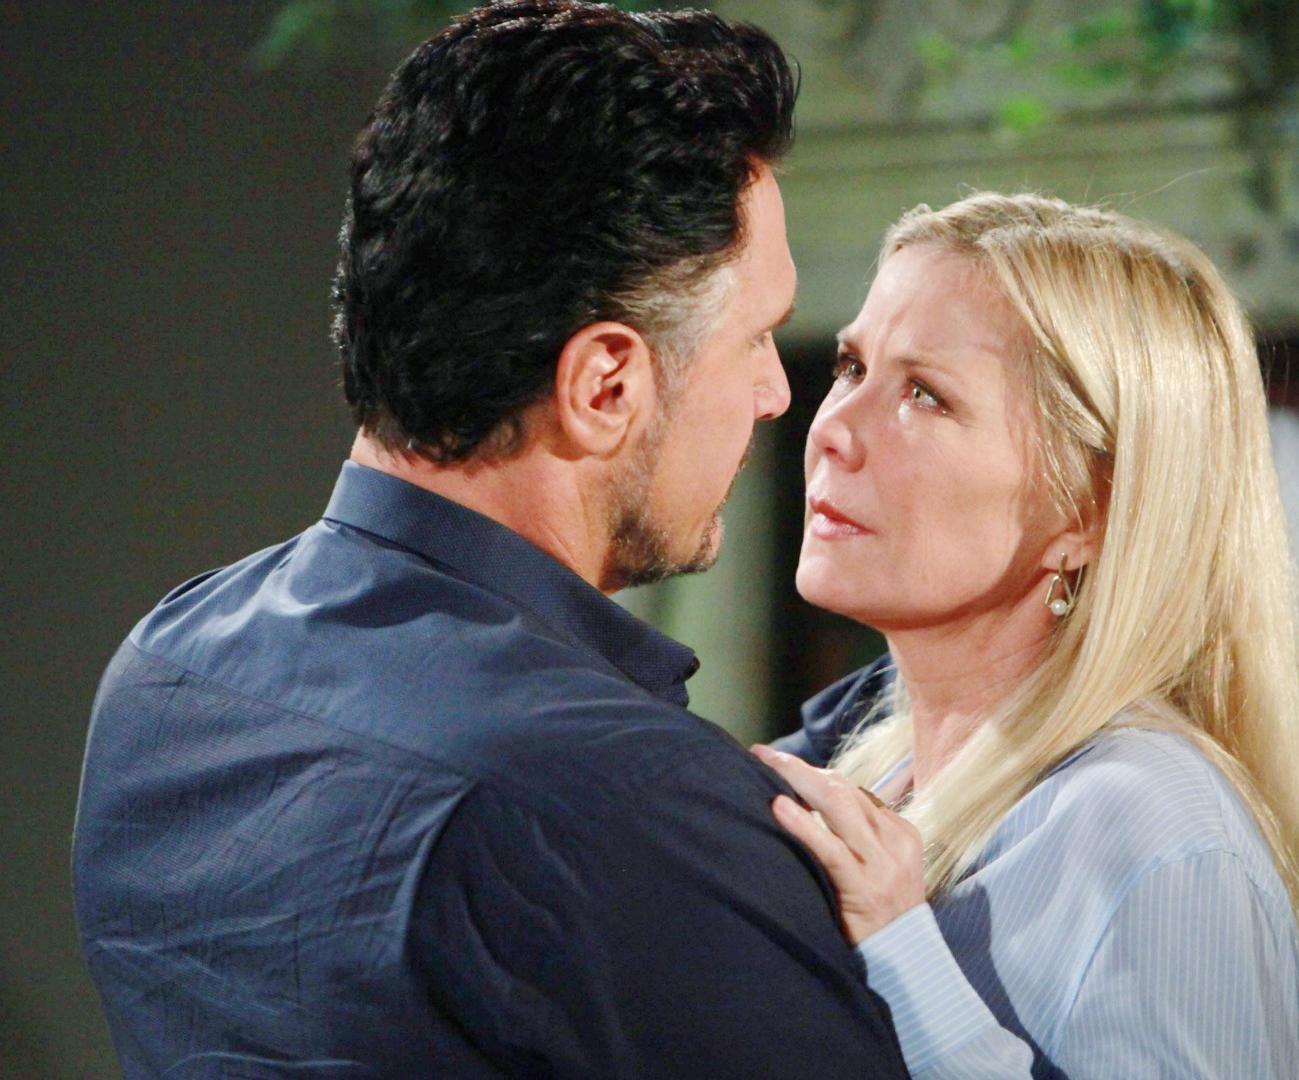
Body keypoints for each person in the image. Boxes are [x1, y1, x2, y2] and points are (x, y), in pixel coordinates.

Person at [70, 4, 911, 1077]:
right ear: (604, 386)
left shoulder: (167, 668)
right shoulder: (631, 811)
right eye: (756, 340)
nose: (774, 395)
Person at [756, 193, 1299, 1078]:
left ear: (1088, 508)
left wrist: (904, 959)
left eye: (924, 396)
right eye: (851, 367)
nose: (832, 428)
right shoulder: (871, 772)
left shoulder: (1159, 829)